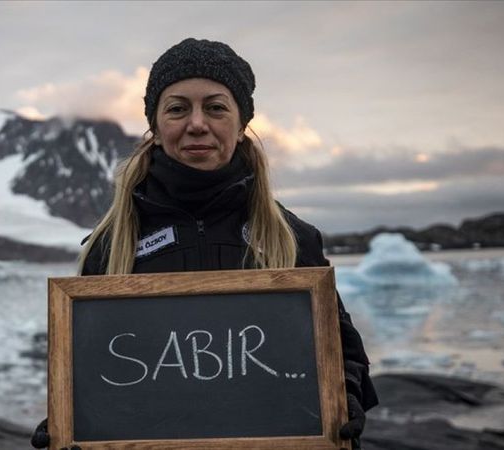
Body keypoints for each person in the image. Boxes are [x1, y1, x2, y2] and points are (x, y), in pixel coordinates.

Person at [32, 37, 378, 449]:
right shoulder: (110, 245)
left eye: (215, 107)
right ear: (156, 128)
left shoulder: (290, 237)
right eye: (178, 108)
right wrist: (72, 425)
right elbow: (90, 373)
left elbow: (341, 353)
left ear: (241, 122)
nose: (197, 123)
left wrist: (345, 399)